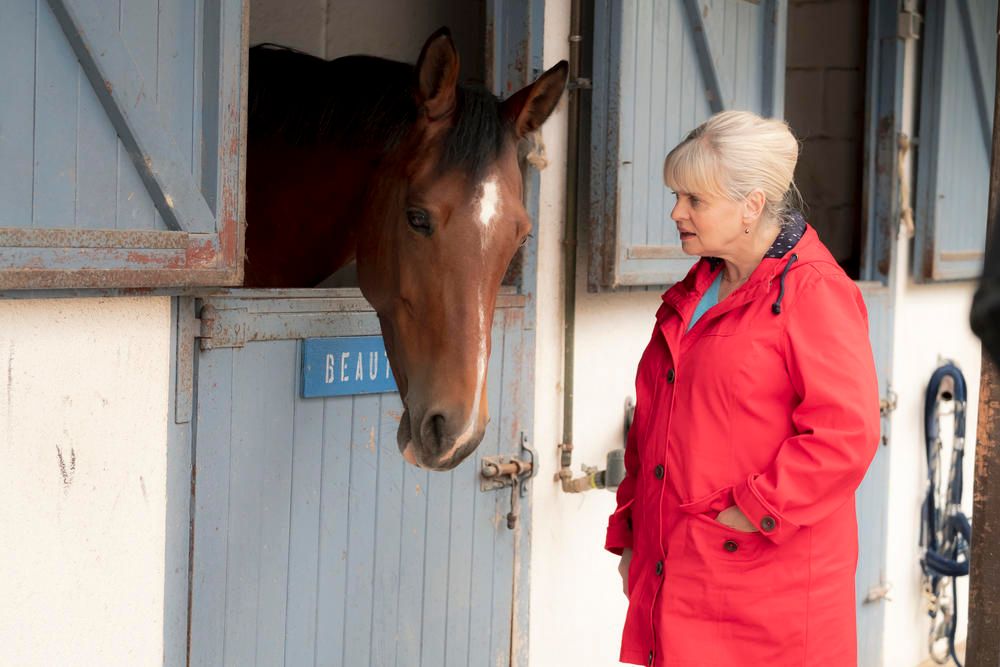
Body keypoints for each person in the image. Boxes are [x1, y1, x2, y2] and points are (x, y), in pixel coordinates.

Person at [605, 110, 881, 667]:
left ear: (752, 205)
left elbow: (845, 434)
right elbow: (655, 424)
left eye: (694, 200)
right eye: (677, 195)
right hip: (680, 570)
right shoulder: (699, 287)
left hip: (765, 590)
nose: (676, 212)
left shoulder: (814, 292)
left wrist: (751, 509)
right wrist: (632, 528)